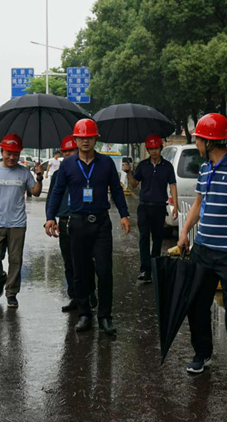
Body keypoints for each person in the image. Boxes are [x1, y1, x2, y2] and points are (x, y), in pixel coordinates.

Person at [177, 113, 227, 391]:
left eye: (198, 138)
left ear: (209, 141)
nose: (196, 142)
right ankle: (202, 354)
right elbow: (198, 204)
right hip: (203, 250)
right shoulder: (205, 168)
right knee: (196, 305)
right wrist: (185, 232)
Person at [45, 119, 131, 335]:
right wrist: (50, 217)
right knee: (80, 271)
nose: (85, 141)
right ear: (75, 140)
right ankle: (85, 314)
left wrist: (124, 214)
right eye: (81, 137)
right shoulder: (68, 165)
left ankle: (104, 316)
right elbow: (57, 192)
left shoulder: (106, 164)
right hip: (77, 223)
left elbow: (117, 190)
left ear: (95, 139)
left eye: (89, 137)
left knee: (104, 270)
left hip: (101, 223)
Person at [0, 133, 43, 308]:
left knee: (16, 260)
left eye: (15, 154)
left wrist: (40, 177)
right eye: (8, 153)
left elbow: (35, 192)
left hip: (18, 224)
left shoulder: (24, 171)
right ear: (1, 151)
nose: (12, 157)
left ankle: (11, 293)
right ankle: (0, 278)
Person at [45, 135, 97, 312]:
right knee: (69, 262)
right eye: (64, 151)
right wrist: (49, 219)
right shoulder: (59, 175)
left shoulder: (87, 172)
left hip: (84, 221)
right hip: (65, 222)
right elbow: (52, 197)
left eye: (70, 150)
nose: (67, 154)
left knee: (86, 261)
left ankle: (89, 292)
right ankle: (74, 296)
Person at [124, 134, 178, 284]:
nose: (154, 151)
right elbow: (134, 184)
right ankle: (145, 270)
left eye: (156, 148)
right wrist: (128, 172)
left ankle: (155, 268)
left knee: (158, 238)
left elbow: (172, 185)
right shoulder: (142, 165)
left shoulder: (167, 166)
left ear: (160, 148)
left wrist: (176, 205)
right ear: (147, 150)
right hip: (144, 207)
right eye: (151, 148)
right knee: (143, 238)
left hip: (160, 207)